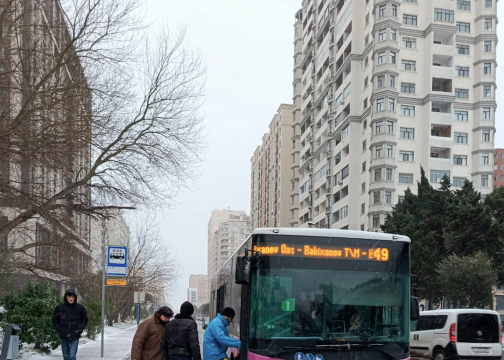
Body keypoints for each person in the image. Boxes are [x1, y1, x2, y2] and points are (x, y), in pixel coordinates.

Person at [52, 289, 88, 360]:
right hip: (63, 335)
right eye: (69, 297)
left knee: (72, 356)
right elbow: (55, 320)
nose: (70, 299)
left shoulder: (80, 308)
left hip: (75, 335)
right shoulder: (60, 308)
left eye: (72, 297)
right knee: (66, 357)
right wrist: (59, 329)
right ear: (66, 297)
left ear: (75, 297)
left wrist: (79, 329)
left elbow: (85, 320)